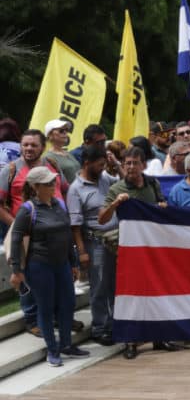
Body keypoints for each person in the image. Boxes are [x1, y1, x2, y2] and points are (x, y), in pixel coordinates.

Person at [99, 146, 179, 359]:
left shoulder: (153, 184)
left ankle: (159, 338)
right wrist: (116, 204)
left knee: (157, 293)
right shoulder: (116, 189)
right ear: (122, 166)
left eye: (135, 163)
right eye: (127, 164)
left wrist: (163, 206)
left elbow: (162, 205)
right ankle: (131, 341)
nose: (131, 167)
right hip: (129, 253)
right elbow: (102, 218)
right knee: (131, 297)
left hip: (153, 251)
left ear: (144, 165)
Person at [6, 166, 89, 368]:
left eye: (53, 182)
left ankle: (67, 345)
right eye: (48, 183)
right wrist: (17, 270)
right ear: (35, 187)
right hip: (39, 266)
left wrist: (73, 262)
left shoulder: (59, 204)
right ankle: (53, 350)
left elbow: (67, 235)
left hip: (62, 265)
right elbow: (16, 239)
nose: (53, 185)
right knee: (46, 307)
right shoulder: (28, 209)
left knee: (68, 303)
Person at [0, 129, 68, 337]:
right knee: (27, 277)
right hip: (27, 237)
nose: (29, 149)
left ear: (43, 147)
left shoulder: (51, 166)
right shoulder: (11, 170)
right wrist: (17, 226)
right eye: (25, 145)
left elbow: (64, 189)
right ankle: (31, 319)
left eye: (34, 145)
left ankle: (59, 317)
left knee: (55, 277)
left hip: (55, 234)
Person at [67, 144, 119, 346]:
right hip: (94, 242)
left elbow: (127, 182)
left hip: (115, 239)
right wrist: (81, 252)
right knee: (99, 286)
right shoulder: (75, 190)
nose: (103, 168)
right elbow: (75, 225)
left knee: (115, 284)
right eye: (99, 165)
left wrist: (116, 164)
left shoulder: (105, 178)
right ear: (87, 163)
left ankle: (116, 323)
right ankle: (100, 328)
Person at [42, 119, 80, 183]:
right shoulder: (48, 157)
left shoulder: (68, 153)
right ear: (50, 135)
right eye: (61, 131)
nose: (65, 133)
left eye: (66, 130)